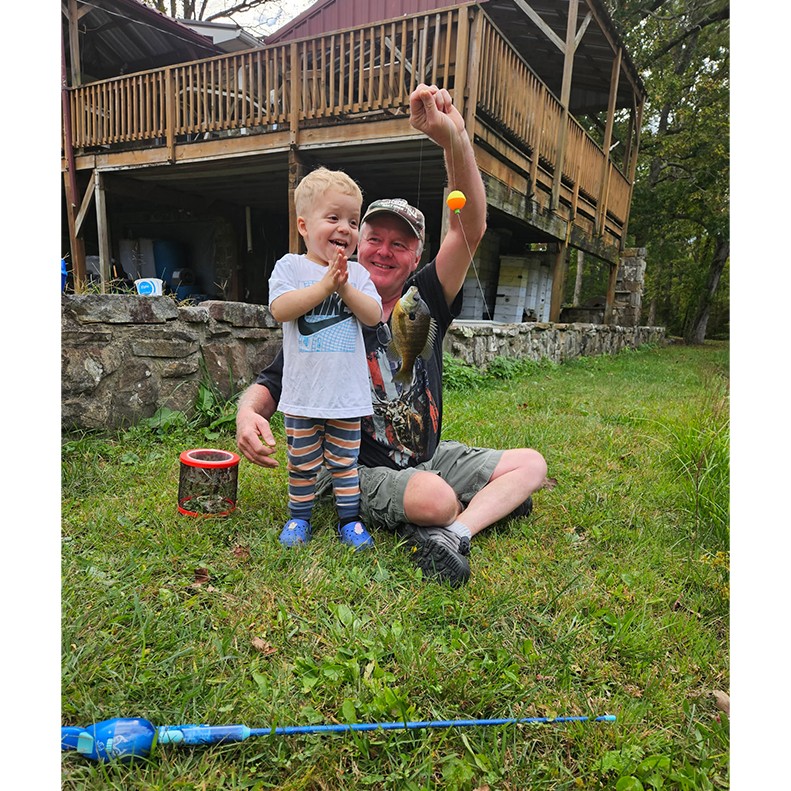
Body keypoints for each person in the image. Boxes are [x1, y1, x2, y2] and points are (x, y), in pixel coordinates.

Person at [237, 84, 547, 586]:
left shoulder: (425, 298)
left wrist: (455, 138)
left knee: (531, 465)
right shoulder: (329, 297)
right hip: (351, 468)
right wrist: (248, 413)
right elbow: (274, 380)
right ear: (357, 243)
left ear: (417, 257)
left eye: (400, 244)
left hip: (426, 453)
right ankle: (458, 511)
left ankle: (456, 534)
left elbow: (471, 225)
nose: (383, 251)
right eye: (374, 238)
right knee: (435, 497)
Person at [267, 167, 383, 551]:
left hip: (345, 398)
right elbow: (282, 310)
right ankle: (299, 518)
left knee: (345, 465)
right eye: (333, 218)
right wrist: (324, 285)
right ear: (304, 225)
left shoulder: (360, 276)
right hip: (302, 395)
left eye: (353, 221)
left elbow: (373, 316)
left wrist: (344, 287)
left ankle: (349, 521)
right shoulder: (291, 267)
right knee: (301, 464)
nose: (345, 229)